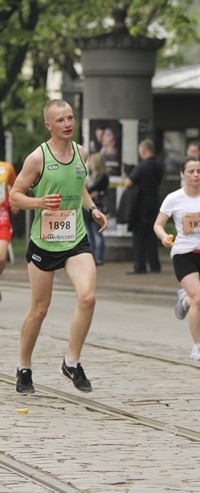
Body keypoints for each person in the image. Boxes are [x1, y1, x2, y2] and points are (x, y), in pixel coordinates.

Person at [9, 99, 108, 394]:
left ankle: (72, 362)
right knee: (40, 309)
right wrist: (39, 202)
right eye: (60, 120)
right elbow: (15, 195)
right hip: (44, 241)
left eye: (70, 118)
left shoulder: (82, 153)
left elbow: (78, 185)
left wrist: (91, 209)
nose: (67, 123)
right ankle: (24, 367)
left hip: (75, 238)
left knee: (88, 297)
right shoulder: (37, 158)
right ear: (48, 126)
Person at [153, 157, 200, 361]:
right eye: (191, 171)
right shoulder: (173, 198)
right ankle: (198, 347)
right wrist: (164, 237)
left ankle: (184, 299)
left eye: (199, 171)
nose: (195, 175)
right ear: (182, 174)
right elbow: (158, 225)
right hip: (183, 252)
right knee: (199, 298)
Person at [125, 139, 164, 274]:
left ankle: (140, 266)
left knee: (139, 236)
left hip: (141, 206)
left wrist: (128, 174)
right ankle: (155, 265)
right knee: (152, 235)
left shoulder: (142, 166)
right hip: (154, 203)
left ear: (143, 151)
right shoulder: (158, 166)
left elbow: (129, 182)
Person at [84, 153, 109, 266]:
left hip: (96, 207)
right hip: (87, 210)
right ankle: (92, 257)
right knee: (89, 235)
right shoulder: (92, 176)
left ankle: (98, 258)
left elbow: (89, 189)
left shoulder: (102, 176)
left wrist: (86, 190)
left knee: (96, 233)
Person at [0, 159, 18, 302]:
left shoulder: (6, 168)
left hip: (2, 218)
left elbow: (16, 186)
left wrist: (15, 201)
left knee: (1, 258)